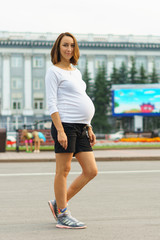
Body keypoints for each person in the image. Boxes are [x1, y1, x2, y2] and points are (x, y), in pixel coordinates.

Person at [45, 32, 98, 229]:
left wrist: (89, 125)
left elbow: (81, 97)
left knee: (91, 170)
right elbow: (52, 103)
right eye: (65, 45)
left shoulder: (75, 72)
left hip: (81, 126)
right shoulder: (53, 71)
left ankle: (58, 203)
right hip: (65, 125)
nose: (68, 49)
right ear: (58, 48)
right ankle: (63, 214)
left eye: (71, 45)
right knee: (63, 170)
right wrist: (59, 130)